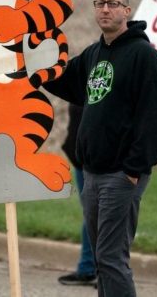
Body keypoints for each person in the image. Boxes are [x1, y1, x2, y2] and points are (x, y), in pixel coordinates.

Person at [44, 0, 157, 296]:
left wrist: (134, 168)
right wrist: (35, 64)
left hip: (122, 174)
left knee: (112, 256)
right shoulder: (94, 53)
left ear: (127, 11)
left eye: (113, 4)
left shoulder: (145, 56)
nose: (105, 9)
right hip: (92, 173)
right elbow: (67, 82)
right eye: (100, 3)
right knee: (103, 258)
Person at [57, 103, 97, 287]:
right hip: (82, 160)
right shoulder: (82, 79)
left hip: (101, 161)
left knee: (103, 218)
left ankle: (105, 273)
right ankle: (88, 268)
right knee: (91, 216)